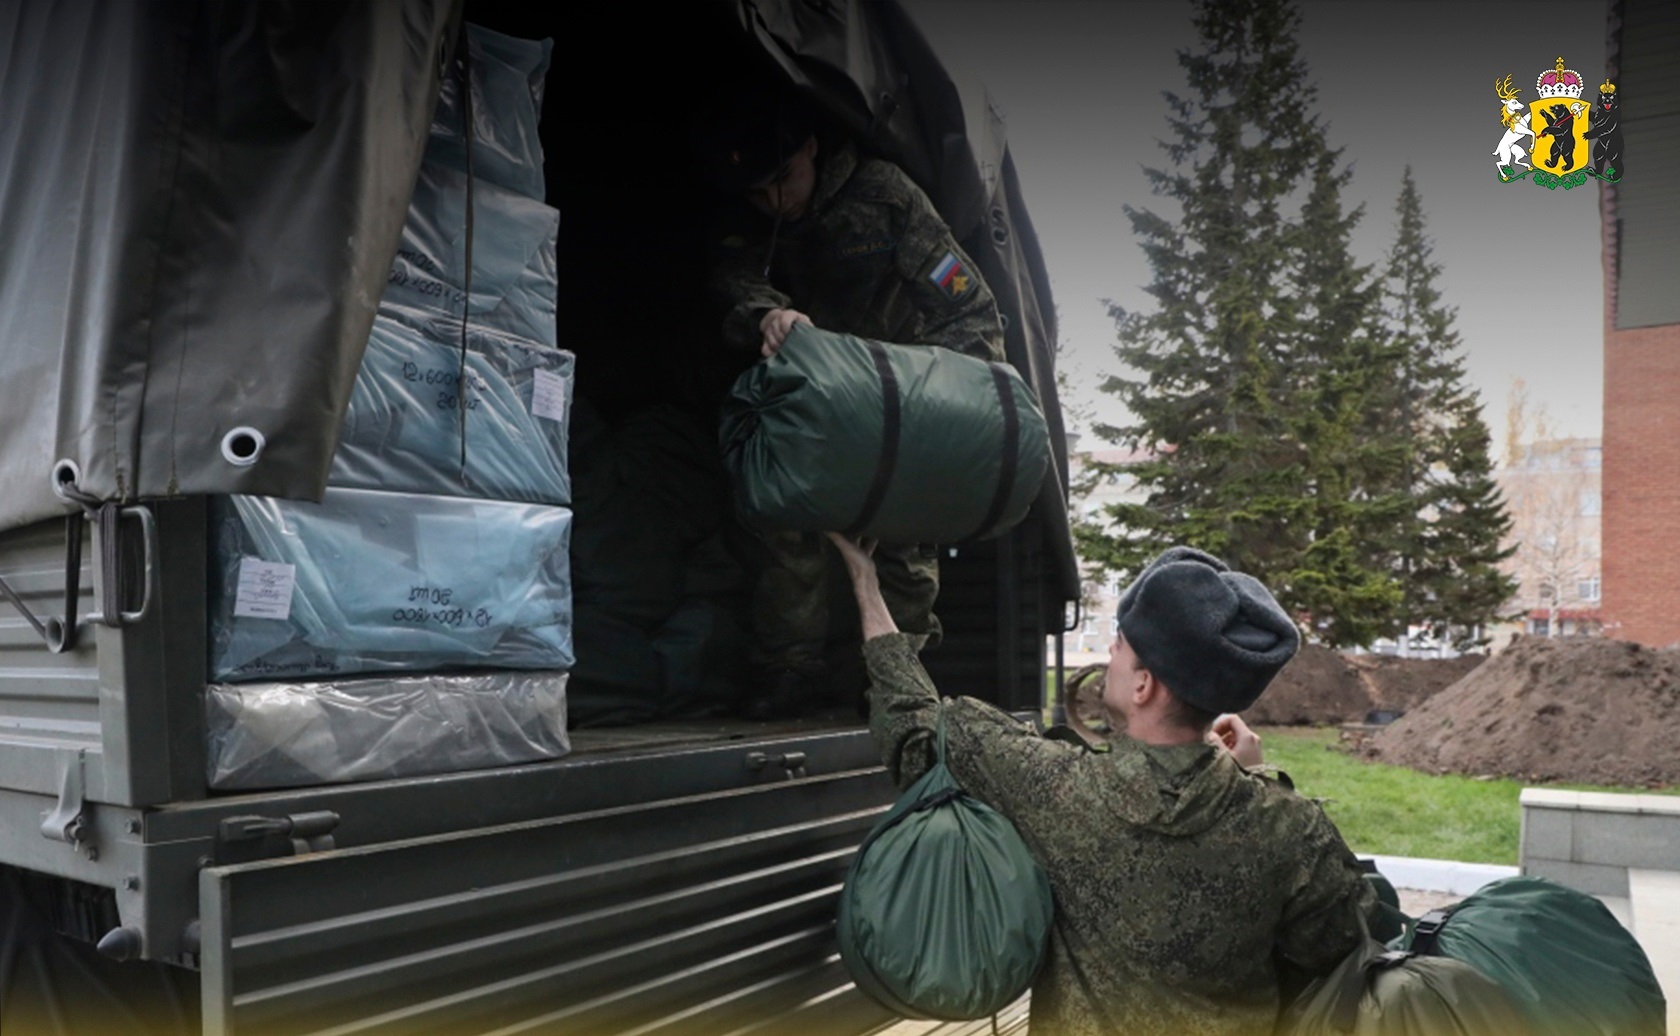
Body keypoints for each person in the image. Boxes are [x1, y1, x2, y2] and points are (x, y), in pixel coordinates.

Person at [827, 535, 1376, 1035]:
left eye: (1120, 644)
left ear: (1143, 685)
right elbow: (1337, 957)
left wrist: (865, 581)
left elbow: (915, 723)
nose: (1109, 653)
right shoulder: (1290, 826)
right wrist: (1249, 780)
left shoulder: (1054, 787)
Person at [696, 89, 1006, 719]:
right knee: (787, 533)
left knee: (903, 548)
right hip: (808, 400)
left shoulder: (884, 197)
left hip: (897, 403)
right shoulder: (757, 212)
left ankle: (899, 684)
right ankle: (791, 675)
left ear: (812, 148)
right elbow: (729, 272)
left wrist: (936, 395)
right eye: (760, 192)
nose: (776, 200)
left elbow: (971, 312)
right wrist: (767, 313)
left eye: (784, 179)